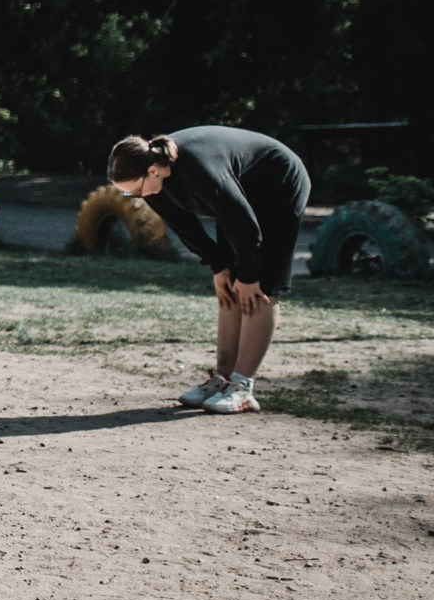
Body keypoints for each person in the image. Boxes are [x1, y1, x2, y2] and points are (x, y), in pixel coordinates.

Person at [109, 128, 312, 414]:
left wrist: (250, 275)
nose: (134, 196)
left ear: (153, 170)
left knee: (261, 289)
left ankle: (243, 387)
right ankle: (222, 379)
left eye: (134, 190)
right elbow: (187, 229)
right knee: (230, 285)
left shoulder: (200, 170)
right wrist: (220, 267)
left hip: (278, 185)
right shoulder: (153, 185)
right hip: (240, 195)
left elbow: (244, 223)